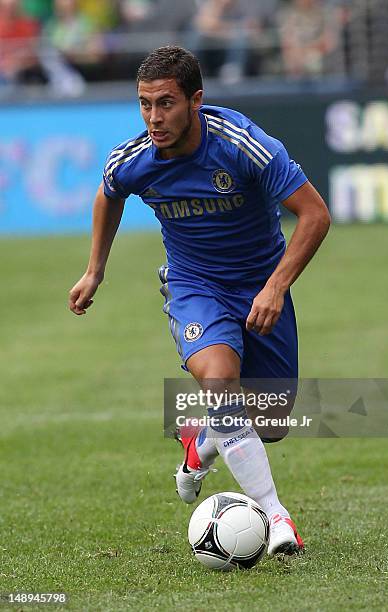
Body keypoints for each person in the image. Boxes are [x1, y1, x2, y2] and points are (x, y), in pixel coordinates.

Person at [69, 46, 330, 556]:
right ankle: (276, 517)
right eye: (144, 104)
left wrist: (275, 286)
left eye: (165, 104)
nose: (154, 118)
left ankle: (202, 441)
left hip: (259, 284)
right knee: (218, 378)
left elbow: (314, 214)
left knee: (272, 422)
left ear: (196, 100)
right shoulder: (135, 158)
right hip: (195, 285)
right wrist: (94, 270)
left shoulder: (243, 145)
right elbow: (108, 193)